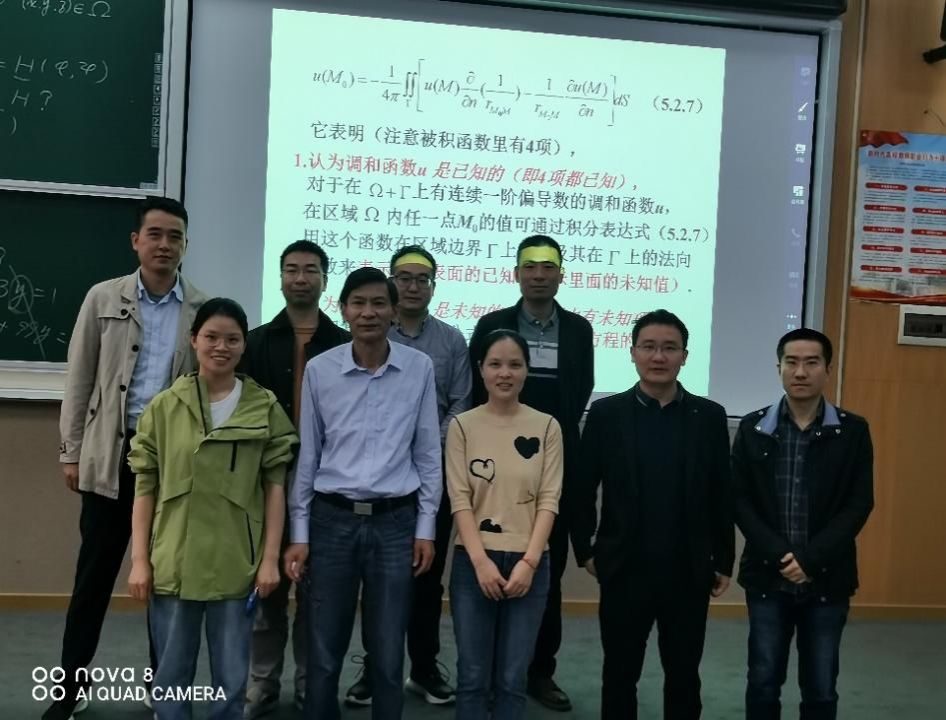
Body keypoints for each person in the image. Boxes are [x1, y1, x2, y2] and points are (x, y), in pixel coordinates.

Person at [47, 196, 207, 720]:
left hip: (171, 466)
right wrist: (72, 452)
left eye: (175, 236)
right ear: (136, 241)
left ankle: (162, 686)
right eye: (155, 234)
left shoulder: (200, 309)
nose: (165, 245)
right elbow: (79, 379)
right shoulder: (103, 297)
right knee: (93, 580)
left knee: (166, 583)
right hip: (110, 458)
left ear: (185, 245)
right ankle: (69, 687)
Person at [127, 297, 298, 720]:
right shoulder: (165, 406)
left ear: (244, 345)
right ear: (194, 340)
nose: (221, 347)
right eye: (211, 337)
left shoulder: (263, 407)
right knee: (170, 674)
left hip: (235, 562)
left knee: (231, 677)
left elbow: (275, 488)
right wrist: (140, 560)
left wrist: (269, 559)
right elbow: (145, 488)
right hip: (174, 560)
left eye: (232, 339)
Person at [284, 267, 442, 720]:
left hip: (396, 522)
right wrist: (300, 533)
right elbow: (309, 455)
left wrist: (425, 527)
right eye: (358, 303)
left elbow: (428, 452)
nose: (368, 312)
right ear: (343, 310)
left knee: (389, 652)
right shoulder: (320, 370)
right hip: (331, 521)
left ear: (393, 311)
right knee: (323, 649)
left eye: (378, 303)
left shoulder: (418, 368)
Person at [572, 309, 734, 720]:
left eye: (669, 348)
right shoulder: (606, 414)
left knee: (683, 673)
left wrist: (723, 559)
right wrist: (585, 550)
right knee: (620, 672)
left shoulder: (709, 416)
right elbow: (581, 486)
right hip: (624, 567)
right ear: (632, 353)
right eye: (648, 347)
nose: (658, 356)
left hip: (688, 569)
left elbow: (721, 492)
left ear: (684, 356)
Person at [468, 235, 592, 712]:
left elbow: (580, 391)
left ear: (561, 274)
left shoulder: (578, 329)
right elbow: (479, 391)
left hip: (553, 461)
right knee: (487, 566)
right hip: (494, 466)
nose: (539, 274)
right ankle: (488, 673)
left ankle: (539, 671)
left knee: (545, 571)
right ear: (516, 273)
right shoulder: (492, 325)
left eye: (548, 266)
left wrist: (547, 441)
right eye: (530, 265)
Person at [345, 245, 470, 707]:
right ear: (392, 285)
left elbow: (461, 403)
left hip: (432, 474)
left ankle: (423, 666)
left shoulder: (452, 341)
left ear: (433, 286)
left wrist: (425, 443)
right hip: (377, 476)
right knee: (375, 579)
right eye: (404, 277)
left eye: (422, 278)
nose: (413, 286)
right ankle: (376, 667)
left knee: (426, 577)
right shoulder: (371, 331)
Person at [732, 328, 874, 720]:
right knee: (762, 681)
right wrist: (780, 555)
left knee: (821, 687)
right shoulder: (754, 428)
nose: (800, 372)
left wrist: (811, 559)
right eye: (791, 362)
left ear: (827, 369)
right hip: (768, 577)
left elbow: (859, 503)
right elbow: (739, 500)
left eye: (811, 363)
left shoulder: (852, 431)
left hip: (827, 579)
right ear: (778, 368)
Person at [240, 240, 349, 719]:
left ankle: (311, 686)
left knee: (317, 597)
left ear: (324, 278)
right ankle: (262, 684)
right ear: (281, 277)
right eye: (291, 270)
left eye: (310, 270)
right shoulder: (257, 342)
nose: (300, 278)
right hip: (269, 482)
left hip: (328, 483)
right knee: (266, 589)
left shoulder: (344, 344)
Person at [447, 329, 562, 720]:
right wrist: (480, 562)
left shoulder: (547, 427)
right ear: (481, 369)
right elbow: (460, 499)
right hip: (473, 563)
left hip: (530, 565)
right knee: (473, 676)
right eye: (495, 364)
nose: (505, 373)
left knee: (513, 680)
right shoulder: (463, 426)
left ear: (527, 370)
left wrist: (529, 563)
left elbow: (549, 499)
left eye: (515, 364)